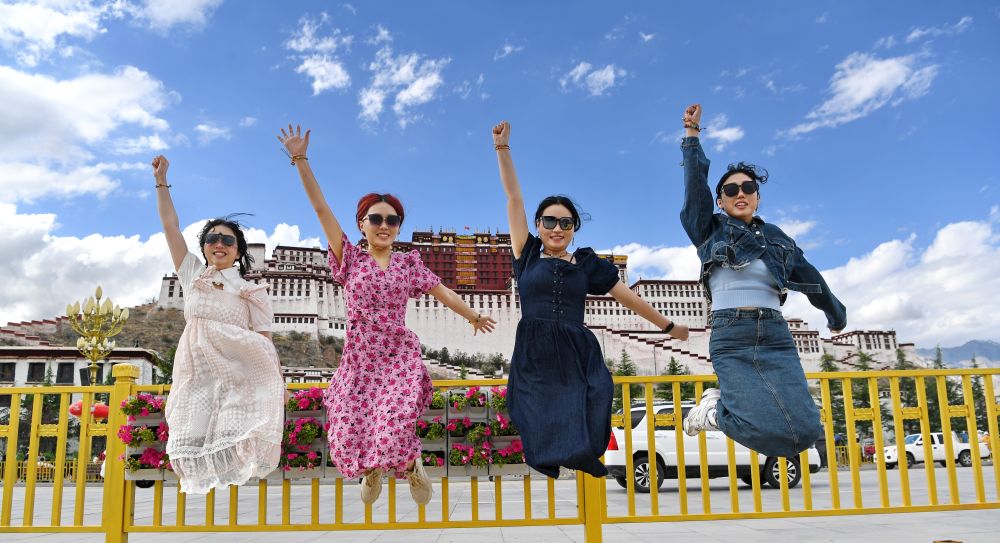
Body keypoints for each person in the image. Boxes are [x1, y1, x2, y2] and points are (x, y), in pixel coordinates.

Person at [278, 124, 496, 506]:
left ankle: (411, 465)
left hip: (397, 353)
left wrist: (472, 316)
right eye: (376, 219)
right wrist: (300, 160)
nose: (384, 226)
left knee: (395, 418)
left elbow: (442, 290)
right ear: (361, 224)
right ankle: (372, 469)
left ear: (398, 227)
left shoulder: (409, 263)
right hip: (360, 356)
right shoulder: (349, 258)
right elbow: (320, 208)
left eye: (391, 220)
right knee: (347, 423)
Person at [492, 120, 689, 479]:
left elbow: (628, 297)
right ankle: (548, 456)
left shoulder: (586, 263)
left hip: (576, 344)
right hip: (535, 345)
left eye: (566, 224)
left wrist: (669, 326)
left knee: (597, 391)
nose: (557, 229)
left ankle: (583, 452)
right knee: (533, 402)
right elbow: (514, 199)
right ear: (538, 225)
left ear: (574, 229)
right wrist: (503, 149)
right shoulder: (527, 253)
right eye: (550, 221)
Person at [677, 104, 847, 459]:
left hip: (776, 333)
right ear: (720, 201)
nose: (740, 193)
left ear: (757, 195)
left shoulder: (777, 237)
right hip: (731, 333)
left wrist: (835, 315)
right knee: (756, 425)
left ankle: (719, 407)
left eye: (748, 187)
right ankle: (713, 412)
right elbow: (694, 189)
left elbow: (811, 278)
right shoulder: (708, 229)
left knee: (805, 432)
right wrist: (692, 135)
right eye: (731, 189)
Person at [151, 155, 284, 494]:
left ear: (238, 251)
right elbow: (170, 226)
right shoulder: (192, 274)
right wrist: (162, 182)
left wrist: (277, 383)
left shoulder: (251, 291)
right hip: (196, 373)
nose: (219, 244)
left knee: (236, 435)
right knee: (191, 428)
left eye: (227, 240)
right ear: (204, 247)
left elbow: (265, 342)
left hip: (236, 372)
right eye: (212, 239)